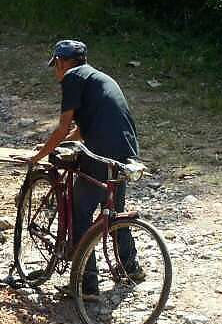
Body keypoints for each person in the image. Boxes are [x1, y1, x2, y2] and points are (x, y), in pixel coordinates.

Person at [28, 40, 144, 301]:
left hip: (100, 151)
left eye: (55, 66)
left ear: (60, 61)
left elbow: (62, 126)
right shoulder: (98, 77)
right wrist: (59, 143)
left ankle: (86, 284)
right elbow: (82, 129)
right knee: (114, 212)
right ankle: (130, 267)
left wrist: (38, 156)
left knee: (79, 212)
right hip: (124, 149)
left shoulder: (71, 78)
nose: (56, 72)